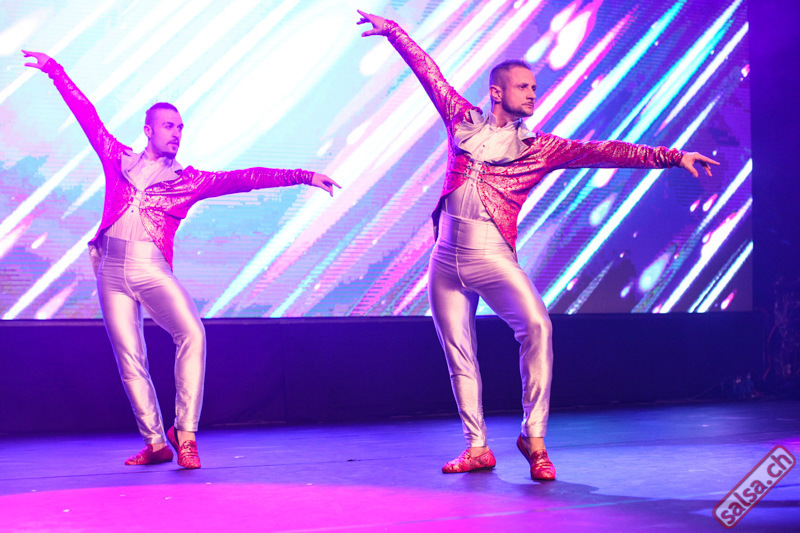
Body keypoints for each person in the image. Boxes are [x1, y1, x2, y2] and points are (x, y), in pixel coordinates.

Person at [357, 11, 718, 480]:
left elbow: (603, 151)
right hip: (444, 260)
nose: (533, 93)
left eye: (534, 87)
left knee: (537, 326)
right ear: (496, 92)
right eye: (524, 86)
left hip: (491, 256)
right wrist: (394, 31)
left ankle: (534, 438)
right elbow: (429, 72)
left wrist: (672, 156)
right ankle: (476, 447)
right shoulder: (461, 120)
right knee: (458, 354)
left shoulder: (540, 148)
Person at [23, 50, 340, 469]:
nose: (176, 133)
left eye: (180, 128)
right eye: (168, 126)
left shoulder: (189, 181)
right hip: (111, 272)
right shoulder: (117, 158)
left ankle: (184, 433)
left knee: (192, 333)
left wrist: (303, 176)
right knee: (129, 358)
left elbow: (245, 179)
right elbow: (87, 115)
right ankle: (155, 443)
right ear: (148, 130)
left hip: (151, 270)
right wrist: (54, 71)